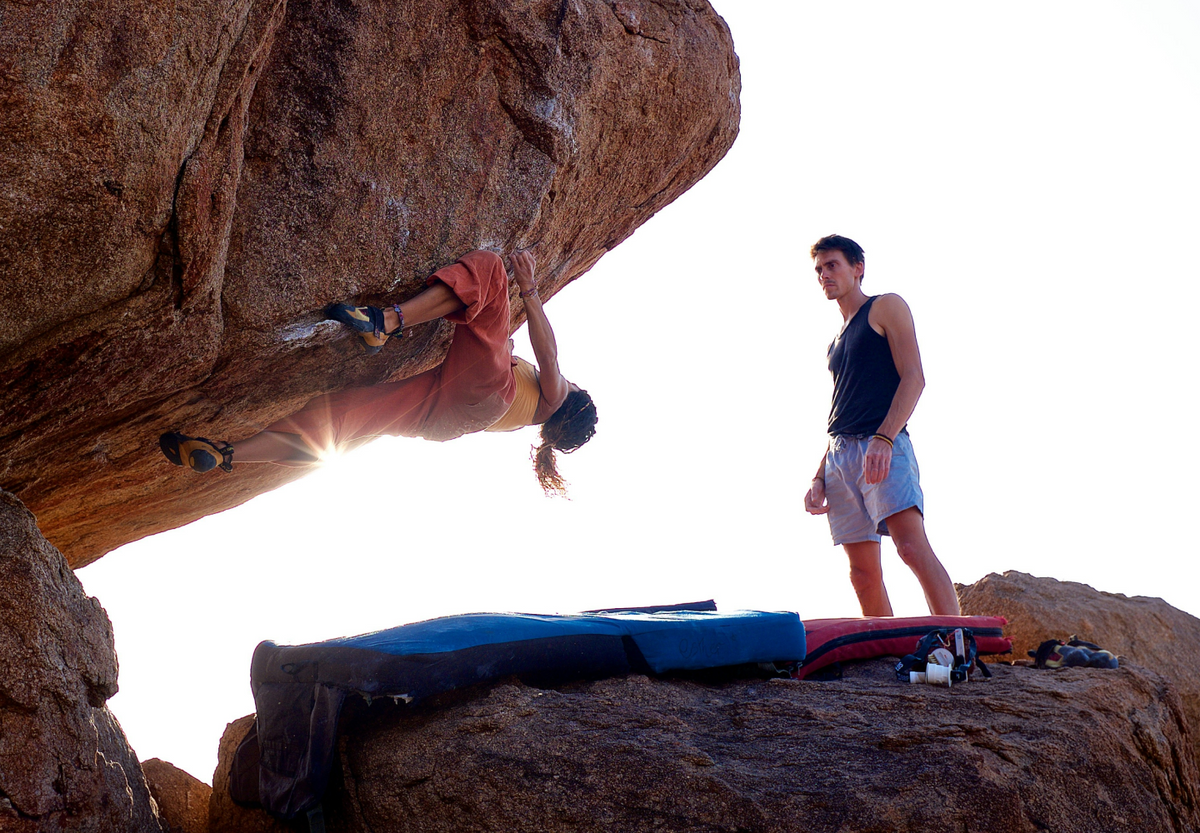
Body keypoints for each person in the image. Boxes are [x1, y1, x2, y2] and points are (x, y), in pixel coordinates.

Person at [160, 250, 597, 494]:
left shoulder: (554, 397)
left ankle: (385, 322)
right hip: (446, 420)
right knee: (340, 419)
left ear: (570, 401)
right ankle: (228, 453)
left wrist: (530, 288)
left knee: (490, 274)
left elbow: (550, 357)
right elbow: (491, 363)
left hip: (480, 394)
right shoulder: (526, 411)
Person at [803, 235, 959, 616]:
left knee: (910, 548)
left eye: (832, 265)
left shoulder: (885, 307)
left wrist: (884, 437)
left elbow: (914, 378)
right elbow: (842, 408)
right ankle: (883, 661)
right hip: (840, 455)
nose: (824, 274)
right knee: (862, 573)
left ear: (858, 268)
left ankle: (957, 642)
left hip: (882, 445)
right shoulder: (834, 342)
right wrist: (818, 475)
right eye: (819, 269)